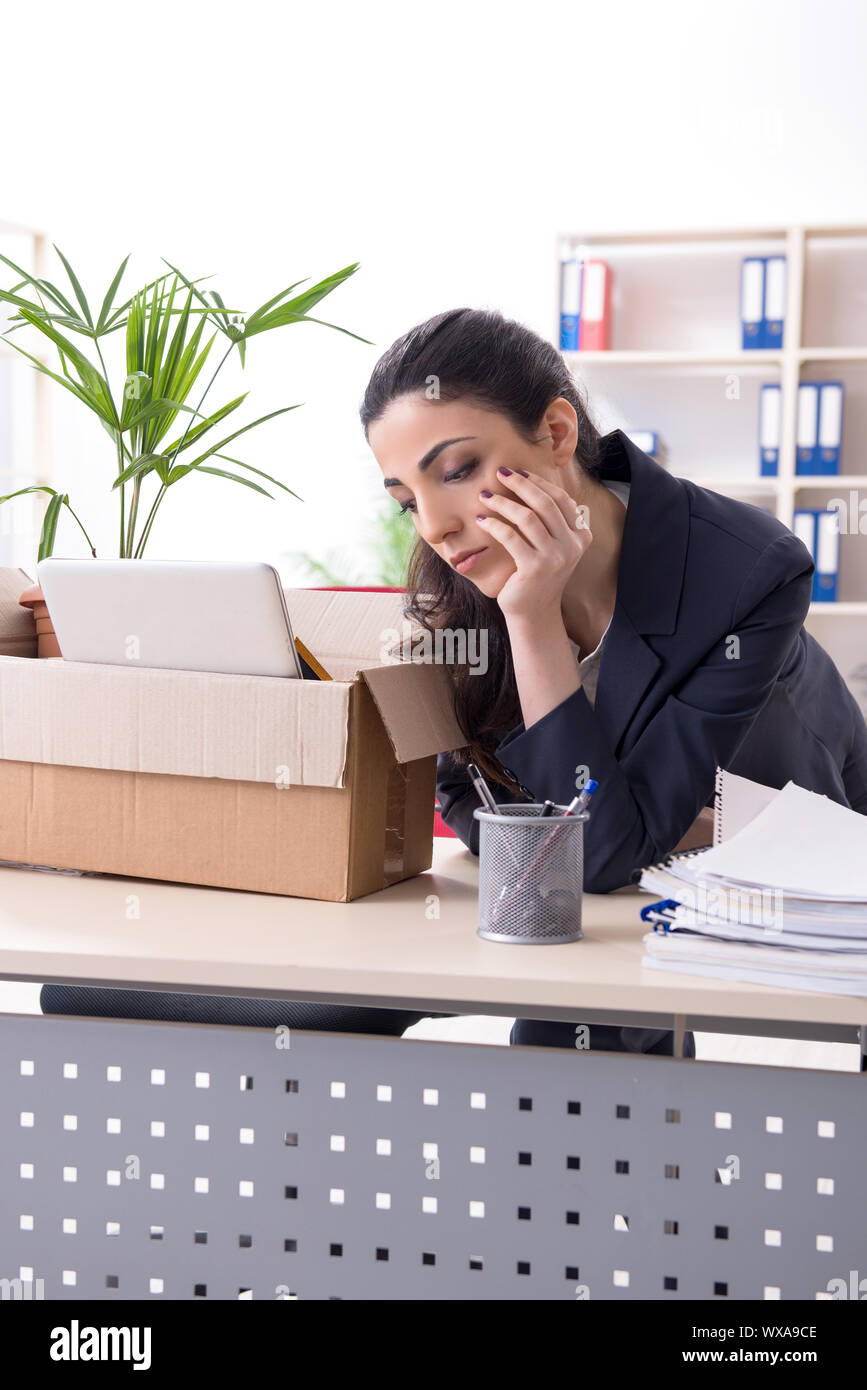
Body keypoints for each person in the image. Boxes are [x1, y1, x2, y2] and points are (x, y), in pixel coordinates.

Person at [42, 306, 867, 1059]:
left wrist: (533, 620)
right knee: (520, 1035)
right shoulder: (454, 592)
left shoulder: (744, 570)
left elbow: (606, 851)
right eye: (406, 498)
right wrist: (576, 831)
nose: (433, 526)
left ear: (554, 430)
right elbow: (464, 789)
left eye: (459, 468)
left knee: (578, 1043)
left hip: (795, 882)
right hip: (621, 889)